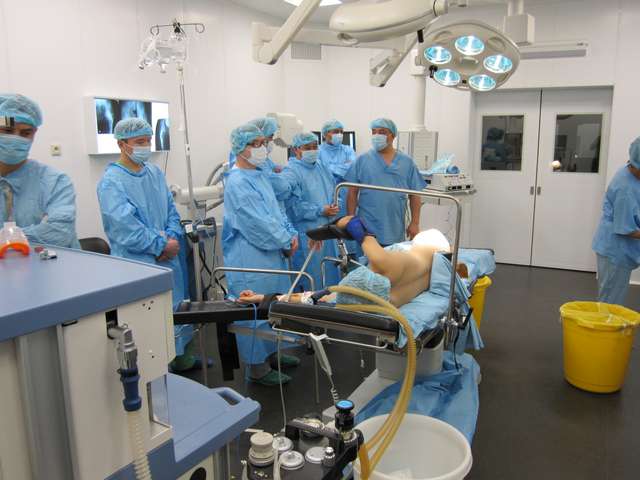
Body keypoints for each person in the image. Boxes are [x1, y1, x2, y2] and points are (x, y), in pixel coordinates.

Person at [97, 118, 198, 371]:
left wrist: (172, 238)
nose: (146, 146)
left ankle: (179, 356)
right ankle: (157, 372)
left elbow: (171, 211)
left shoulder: (154, 173)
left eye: (148, 140)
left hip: (169, 258)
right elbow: (124, 228)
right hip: (138, 263)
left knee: (174, 309)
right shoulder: (111, 182)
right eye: (139, 141)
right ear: (122, 144)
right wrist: (160, 245)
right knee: (148, 323)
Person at [238, 215, 466, 308]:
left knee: (333, 294)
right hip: (387, 288)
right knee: (331, 295)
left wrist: (321, 233)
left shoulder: (395, 265)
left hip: (385, 283)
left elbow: (354, 224)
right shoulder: (425, 270)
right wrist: (263, 298)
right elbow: (317, 297)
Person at [223, 123, 300, 386]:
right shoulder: (237, 182)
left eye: (262, 142)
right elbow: (257, 224)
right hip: (251, 255)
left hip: (272, 251)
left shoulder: (258, 175)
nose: (261, 148)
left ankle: (273, 352)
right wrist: (284, 239)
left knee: (273, 304)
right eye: (254, 144)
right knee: (255, 312)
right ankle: (257, 368)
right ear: (239, 148)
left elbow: (276, 211)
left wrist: (290, 234)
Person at [0, 94, 80, 248]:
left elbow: (60, 233)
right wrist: (30, 234)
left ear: (34, 134)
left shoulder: (55, 181)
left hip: (53, 262)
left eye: (25, 133)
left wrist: (6, 239)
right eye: (7, 131)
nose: (16, 138)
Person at [345, 118, 426, 248]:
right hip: (367, 225)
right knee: (367, 259)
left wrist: (415, 223)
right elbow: (352, 193)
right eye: (374, 132)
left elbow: (415, 194)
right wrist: (351, 219)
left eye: (382, 132)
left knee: (392, 258)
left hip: (394, 226)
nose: (377, 135)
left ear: (393, 135)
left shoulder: (406, 162)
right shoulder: (362, 160)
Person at [282, 132, 341, 289]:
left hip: (328, 230)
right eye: (307, 148)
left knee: (330, 272)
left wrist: (335, 205)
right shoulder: (291, 172)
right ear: (296, 150)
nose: (312, 150)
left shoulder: (321, 167)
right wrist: (319, 210)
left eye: (315, 146)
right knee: (311, 278)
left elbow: (333, 190)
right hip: (308, 233)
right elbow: (292, 206)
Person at [592, 137, 640, 306]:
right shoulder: (625, 189)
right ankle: (604, 323)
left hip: (618, 249)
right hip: (615, 250)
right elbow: (626, 228)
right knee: (610, 301)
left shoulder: (631, 171)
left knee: (612, 295)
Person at [319, 119, 356, 213]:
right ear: (325, 134)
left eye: (341, 132)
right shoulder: (318, 151)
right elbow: (318, 173)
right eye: (336, 132)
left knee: (347, 219)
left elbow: (352, 168)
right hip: (325, 195)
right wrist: (343, 168)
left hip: (346, 195)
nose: (339, 134)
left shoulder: (348, 150)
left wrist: (329, 168)